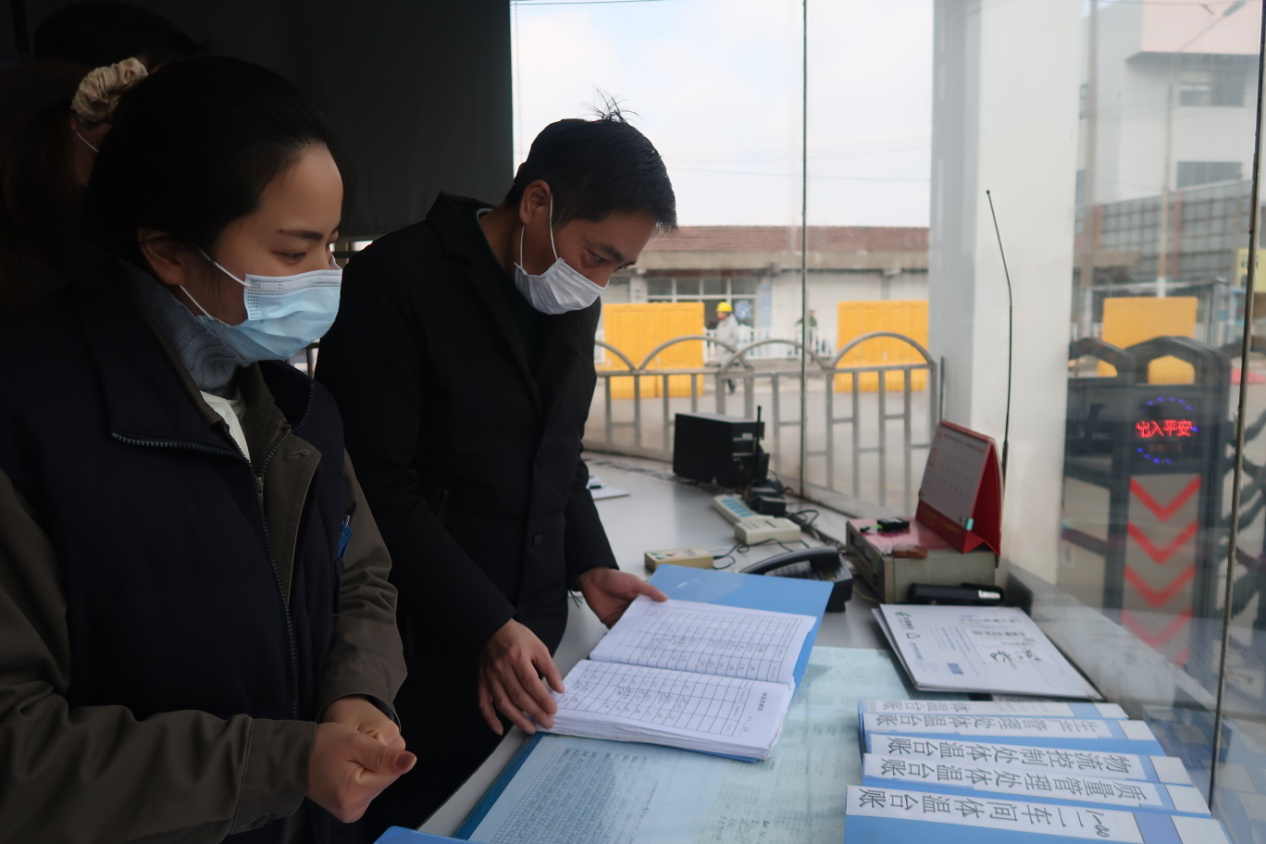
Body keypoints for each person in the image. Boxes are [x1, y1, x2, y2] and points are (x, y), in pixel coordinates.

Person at [0, 56, 411, 841]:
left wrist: (357, 693)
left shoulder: (300, 411)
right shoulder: (31, 422)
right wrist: (278, 764)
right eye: (293, 252)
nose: (324, 279)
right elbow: (16, 749)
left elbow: (361, 577)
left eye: (332, 246)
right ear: (167, 251)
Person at [314, 110, 677, 834]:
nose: (599, 281)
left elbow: (558, 454)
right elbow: (374, 485)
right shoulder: (399, 279)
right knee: (420, 816)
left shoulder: (568, 293)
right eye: (597, 255)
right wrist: (486, 624)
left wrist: (589, 564)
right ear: (537, 202)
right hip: (424, 646)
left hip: (534, 643)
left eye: (617, 267)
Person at [714, 300, 743, 394]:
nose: (718, 314)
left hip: (729, 353)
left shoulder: (733, 324)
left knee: (729, 373)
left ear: (725, 313)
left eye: (720, 312)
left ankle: (732, 388)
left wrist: (726, 346)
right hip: (721, 353)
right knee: (722, 372)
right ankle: (722, 391)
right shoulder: (720, 324)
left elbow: (736, 338)